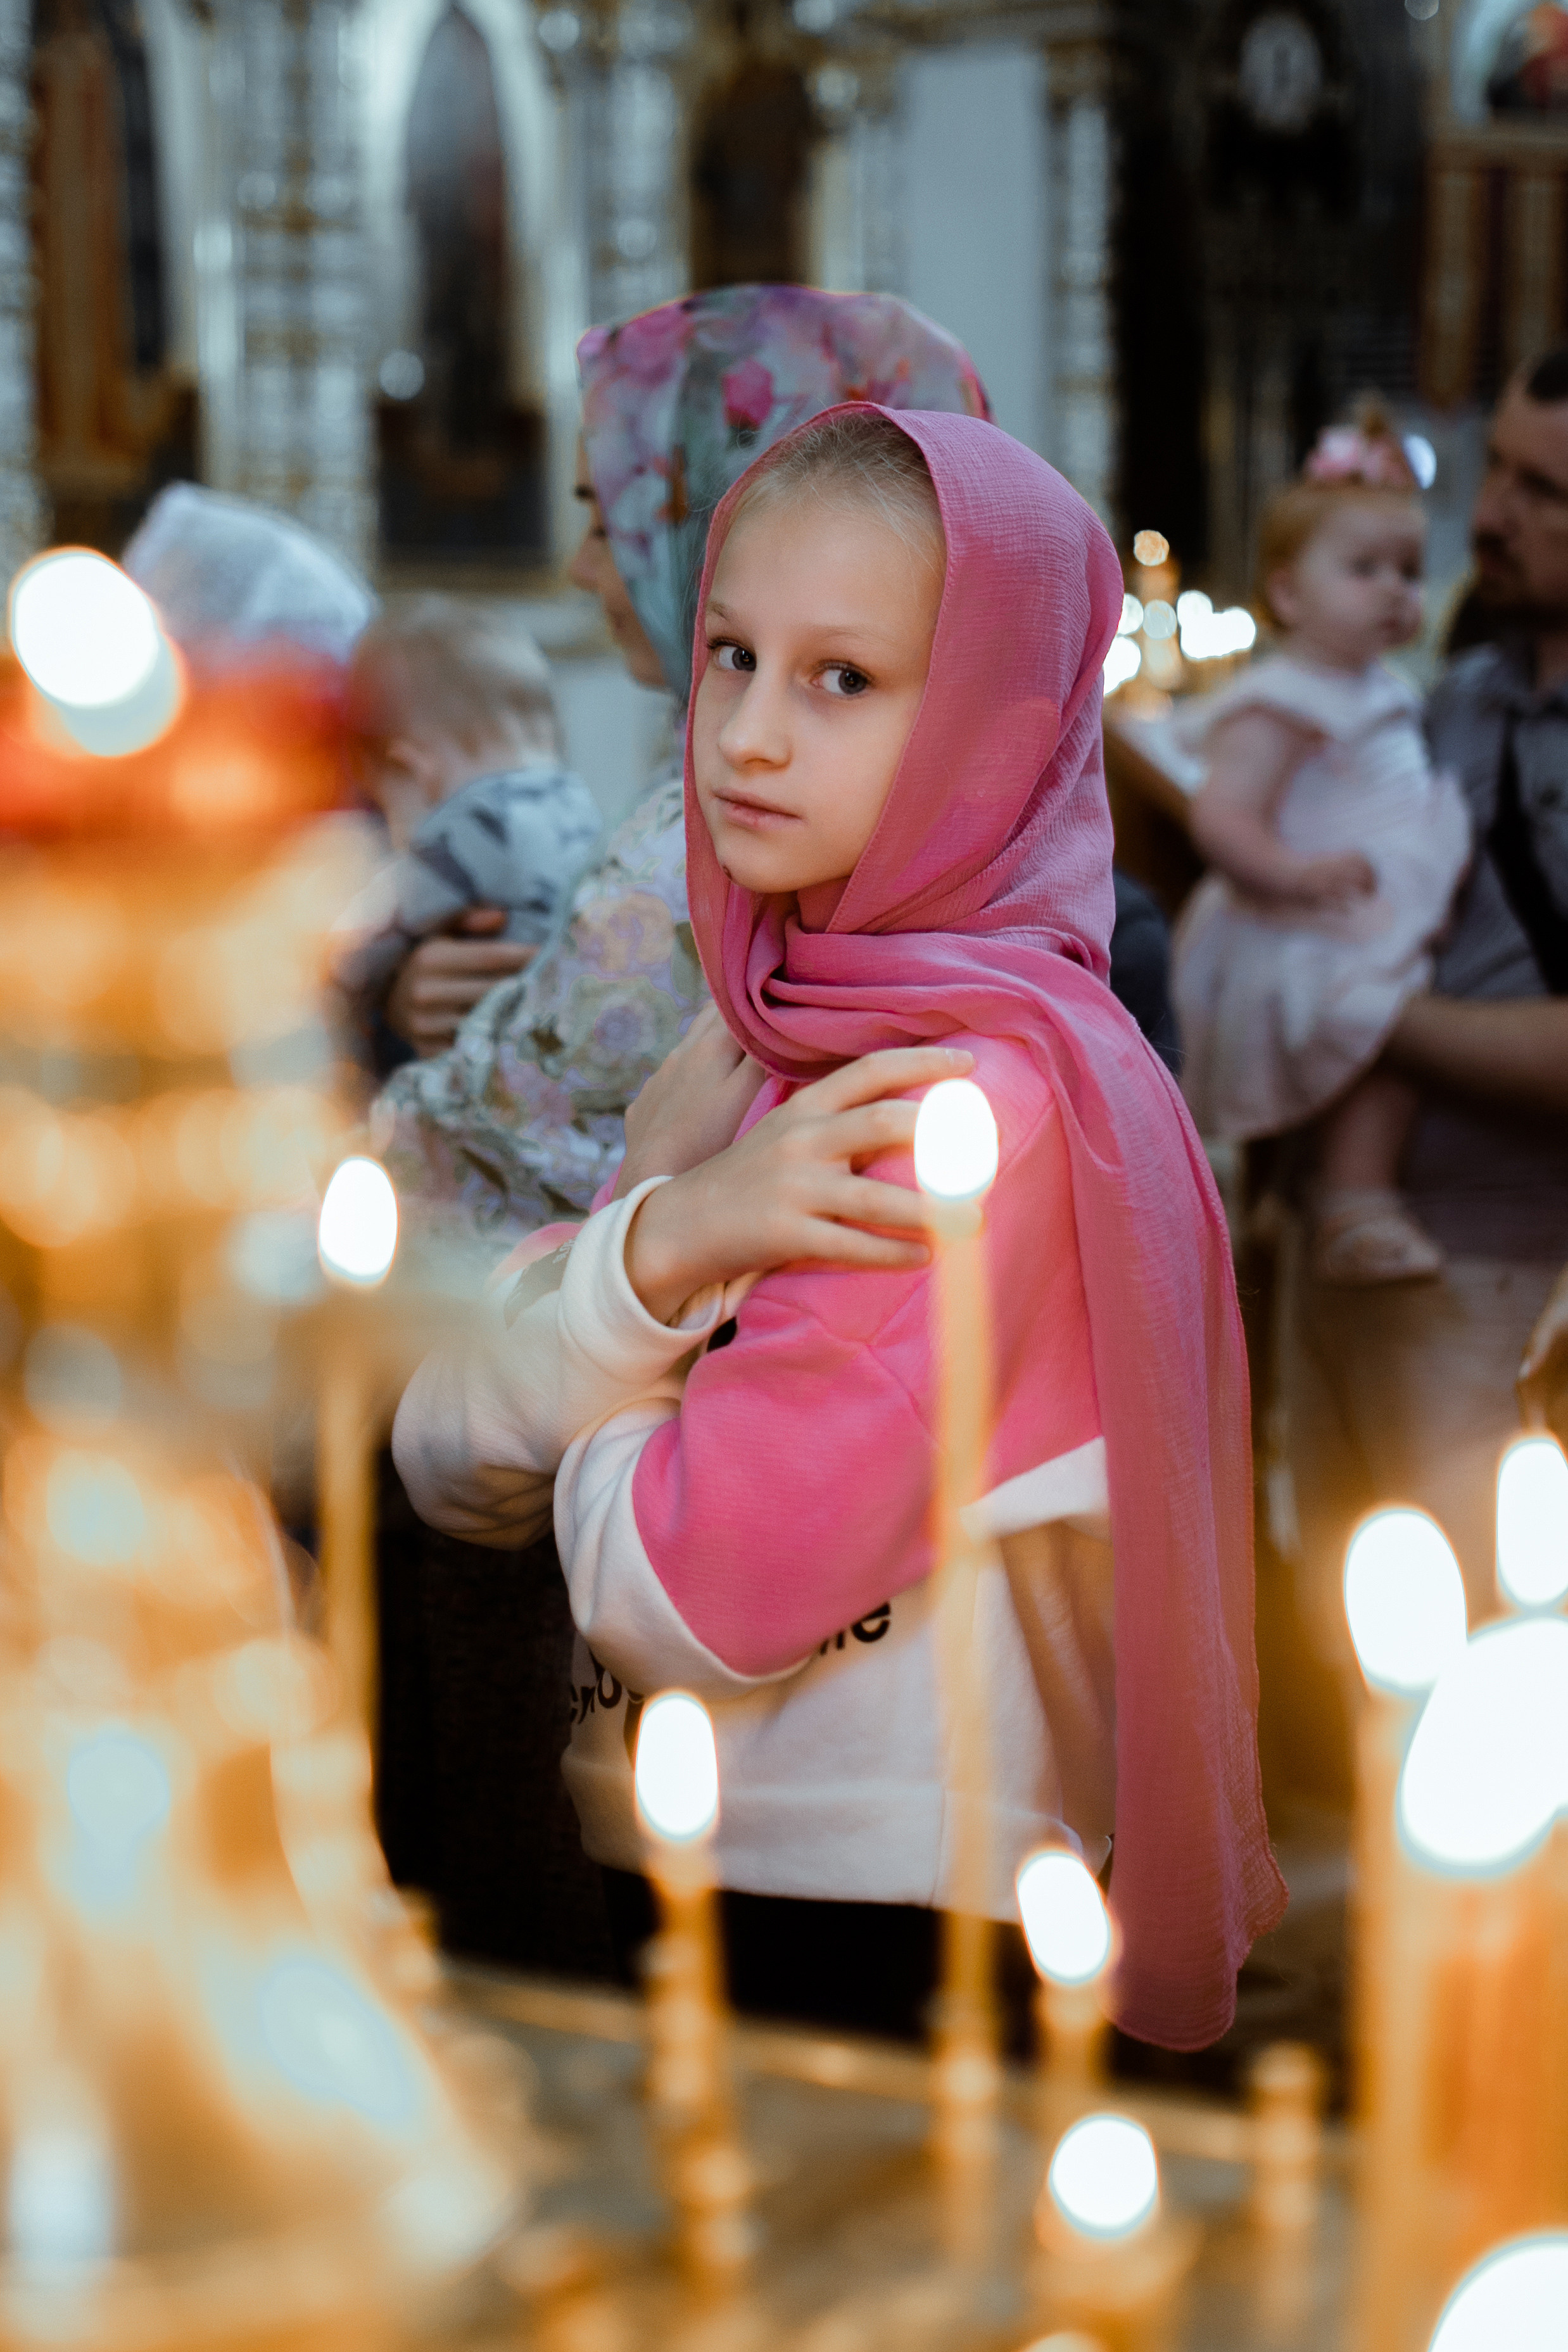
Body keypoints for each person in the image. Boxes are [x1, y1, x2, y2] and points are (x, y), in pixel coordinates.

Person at [393, 407, 1284, 2051]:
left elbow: (680, 1583)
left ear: (998, 731)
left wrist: (619, 1280)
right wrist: (666, 1237)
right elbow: (442, 1451)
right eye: (729, 655)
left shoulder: (964, 1110)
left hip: (881, 1918)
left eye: (840, 680)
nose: (742, 735)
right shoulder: (765, 1031)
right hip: (733, 1863)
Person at [370, 288, 993, 1979]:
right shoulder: (745, 881)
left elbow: (690, 1568)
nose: (586, 567)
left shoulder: (738, 903)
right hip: (652, 1649)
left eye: (604, 510)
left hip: (704, 1703)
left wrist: (646, 1210)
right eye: (738, 655)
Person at [377, 286, 990, 1253]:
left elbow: (472, 1155)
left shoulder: (712, 836)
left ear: (724, 510)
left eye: (606, 519)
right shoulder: (933, 820)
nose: (583, 570)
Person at [1280, 346, 1568, 1672]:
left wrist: (1362, 1016)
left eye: (1540, 490)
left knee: (1477, 1700)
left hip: (1499, 1286)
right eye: (1496, 470)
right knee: (1357, 1680)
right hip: (1346, 1250)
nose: (1490, 515)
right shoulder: (1459, 689)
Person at [1173, 410, 1470, 1283]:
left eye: (1410, 572)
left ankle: (1294, 1200)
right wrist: (1296, 875)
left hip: (1355, 899)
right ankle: (1355, 1195)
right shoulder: (1282, 699)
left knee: (1355, 1048)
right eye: (1365, 568)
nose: (1394, 590)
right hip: (1295, 919)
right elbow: (1222, 818)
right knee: (1372, 1026)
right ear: (1291, 592)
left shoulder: (1381, 684)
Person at [334, 599, 601, 1064]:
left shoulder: (476, 824)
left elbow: (371, 926)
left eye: (384, 803)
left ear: (412, 770)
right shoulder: (575, 800)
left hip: (501, 1054)